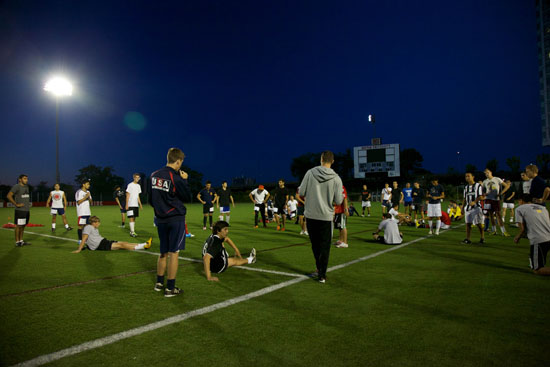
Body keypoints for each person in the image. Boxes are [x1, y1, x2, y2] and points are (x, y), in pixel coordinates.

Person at [149, 147, 192, 297]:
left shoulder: (153, 175)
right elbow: (187, 197)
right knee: (174, 253)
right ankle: (170, 288)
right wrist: (185, 180)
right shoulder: (176, 177)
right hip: (175, 218)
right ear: (178, 161)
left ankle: (159, 283)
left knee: (163, 252)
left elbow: (151, 199)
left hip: (160, 219)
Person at [298, 151, 344, 283]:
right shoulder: (336, 178)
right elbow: (339, 200)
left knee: (315, 245)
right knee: (325, 246)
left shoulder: (310, 173)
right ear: (333, 161)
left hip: (311, 214)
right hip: (326, 216)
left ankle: (319, 269)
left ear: (321, 159)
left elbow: (301, 192)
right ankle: (322, 274)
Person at [72, 216, 152, 253]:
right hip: (100, 245)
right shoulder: (88, 227)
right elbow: (84, 239)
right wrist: (79, 249)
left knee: (122, 243)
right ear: (93, 222)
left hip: (102, 241)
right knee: (121, 245)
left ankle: (144, 244)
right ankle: (142, 247)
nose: (99, 224)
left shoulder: (93, 228)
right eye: (98, 222)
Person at [514, 194, 550, 275]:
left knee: (538, 270)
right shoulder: (543, 208)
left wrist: (518, 237)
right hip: (548, 236)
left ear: (521, 201)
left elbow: (522, 229)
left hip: (539, 239)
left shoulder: (519, 209)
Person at [482, 168, 510, 236]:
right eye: (485, 173)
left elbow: (507, 186)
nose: (487, 174)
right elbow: (482, 191)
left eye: (487, 172)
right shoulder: (485, 181)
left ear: (491, 172)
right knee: (491, 215)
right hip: (488, 199)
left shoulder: (497, 179)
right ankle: (494, 230)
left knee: (498, 215)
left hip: (495, 199)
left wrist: (501, 193)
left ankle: (503, 231)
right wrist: (484, 194)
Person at [6, 174, 31, 247]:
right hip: (20, 210)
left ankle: (21, 241)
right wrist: (16, 204)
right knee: (18, 226)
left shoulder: (27, 187)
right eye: (25, 178)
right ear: (20, 179)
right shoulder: (16, 186)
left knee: (23, 226)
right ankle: (17, 242)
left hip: (26, 210)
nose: (26, 180)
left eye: (27, 178)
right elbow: (9, 196)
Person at [461, 172, 485, 244]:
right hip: (468, 208)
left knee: (478, 224)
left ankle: (482, 237)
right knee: (468, 224)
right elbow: (465, 198)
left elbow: (481, 196)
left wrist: (475, 201)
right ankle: (468, 239)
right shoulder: (466, 187)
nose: (467, 178)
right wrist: (462, 208)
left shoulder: (478, 185)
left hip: (476, 208)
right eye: (466, 176)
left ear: (473, 177)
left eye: (468, 176)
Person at [126, 173, 143, 237]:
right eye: (136, 177)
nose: (137, 179)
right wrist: (127, 204)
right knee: (131, 218)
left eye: (138, 178)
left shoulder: (138, 186)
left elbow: (138, 196)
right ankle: (132, 232)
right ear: (134, 178)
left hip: (136, 205)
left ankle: (132, 231)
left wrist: (140, 204)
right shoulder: (130, 185)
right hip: (130, 204)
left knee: (134, 218)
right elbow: (127, 195)